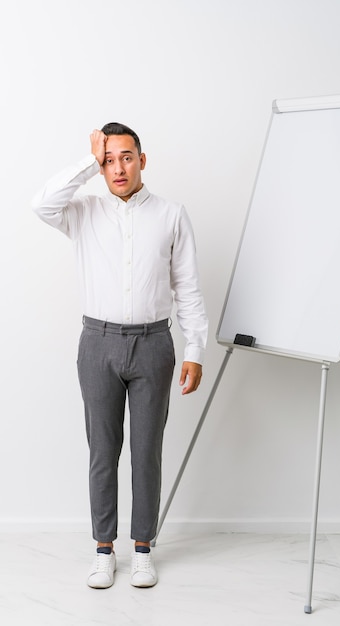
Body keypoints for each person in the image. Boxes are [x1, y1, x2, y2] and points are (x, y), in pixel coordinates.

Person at [31, 122, 208, 589]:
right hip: (98, 344)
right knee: (102, 451)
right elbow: (41, 203)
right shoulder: (83, 211)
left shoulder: (171, 215)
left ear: (143, 160)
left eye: (125, 157)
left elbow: (187, 287)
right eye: (109, 160)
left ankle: (144, 548)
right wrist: (89, 162)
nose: (118, 167)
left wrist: (195, 348)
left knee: (146, 451)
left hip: (154, 344)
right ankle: (104, 549)